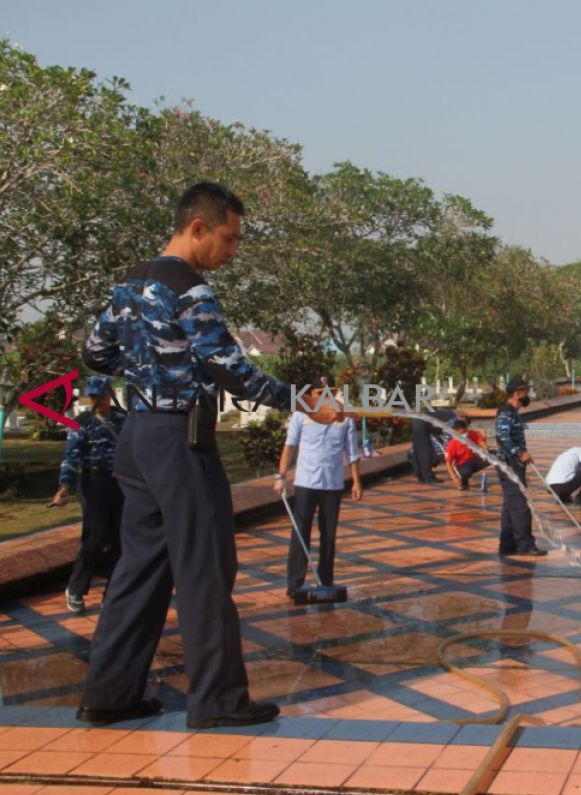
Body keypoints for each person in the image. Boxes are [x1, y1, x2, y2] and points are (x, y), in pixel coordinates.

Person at [78, 182, 337, 729]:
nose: (232, 251)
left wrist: (151, 371)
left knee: (139, 567)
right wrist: (301, 401)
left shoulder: (127, 286)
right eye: (229, 238)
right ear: (198, 228)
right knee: (205, 568)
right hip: (179, 443)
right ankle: (218, 701)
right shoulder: (191, 291)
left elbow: (95, 352)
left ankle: (109, 694)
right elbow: (230, 369)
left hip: (136, 440)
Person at [275, 385, 362, 598]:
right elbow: (290, 446)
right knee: (300, 532)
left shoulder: (344, 417)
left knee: (329, 534)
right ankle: (295, 583)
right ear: (311, 394)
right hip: (305, 482)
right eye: (319, 392)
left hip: (332, 483)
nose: (325, 396)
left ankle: (325, 580)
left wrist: (357, 482)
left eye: (330, 391)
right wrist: (281, 476)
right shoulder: (300, 415)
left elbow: (351, 452)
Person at [50, 376, 125, 613]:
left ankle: (112, 592)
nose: (95, 400)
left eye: (99, 396)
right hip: (92, 482)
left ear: (109, 395)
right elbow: (71, 455)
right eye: (92, 396)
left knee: (120, 539)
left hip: (119, 484)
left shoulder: (123, 419)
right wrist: (64, 486)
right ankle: (76, 588)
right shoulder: (81, 422)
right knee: (96, 536)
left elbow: (134, 449)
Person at [494, 379, 547, 556]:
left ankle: (507, 545)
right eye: (525, 391)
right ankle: (525, 545)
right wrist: (519, 453)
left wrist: (522, 455)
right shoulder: (506, 413)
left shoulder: (514, 413)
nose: (527, 395)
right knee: (520, 505)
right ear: (517, 393)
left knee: (511, 504)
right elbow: (503, 437)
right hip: (509, 464)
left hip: (514, 463)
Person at [411, 407, 458, 483]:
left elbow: (435, 429)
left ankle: (419, 474)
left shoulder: (448, 415)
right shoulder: (453, 421)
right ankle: (428, 477)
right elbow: (448, 442)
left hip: (417, 421)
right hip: (422, 424)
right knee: (426, 451)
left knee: (417, 449)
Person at [445, 417, 488, 490]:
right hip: (463, 463)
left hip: (475, 459)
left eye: (465, 432)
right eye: (462, 433)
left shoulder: (472, 433)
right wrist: (453, 477)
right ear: (456, 432)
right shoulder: (452, 444)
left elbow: (482, 444)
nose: (465, 434)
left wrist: (486, 453)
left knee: (496, 455)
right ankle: (464, 484)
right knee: (466, 472)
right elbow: (448, 463)